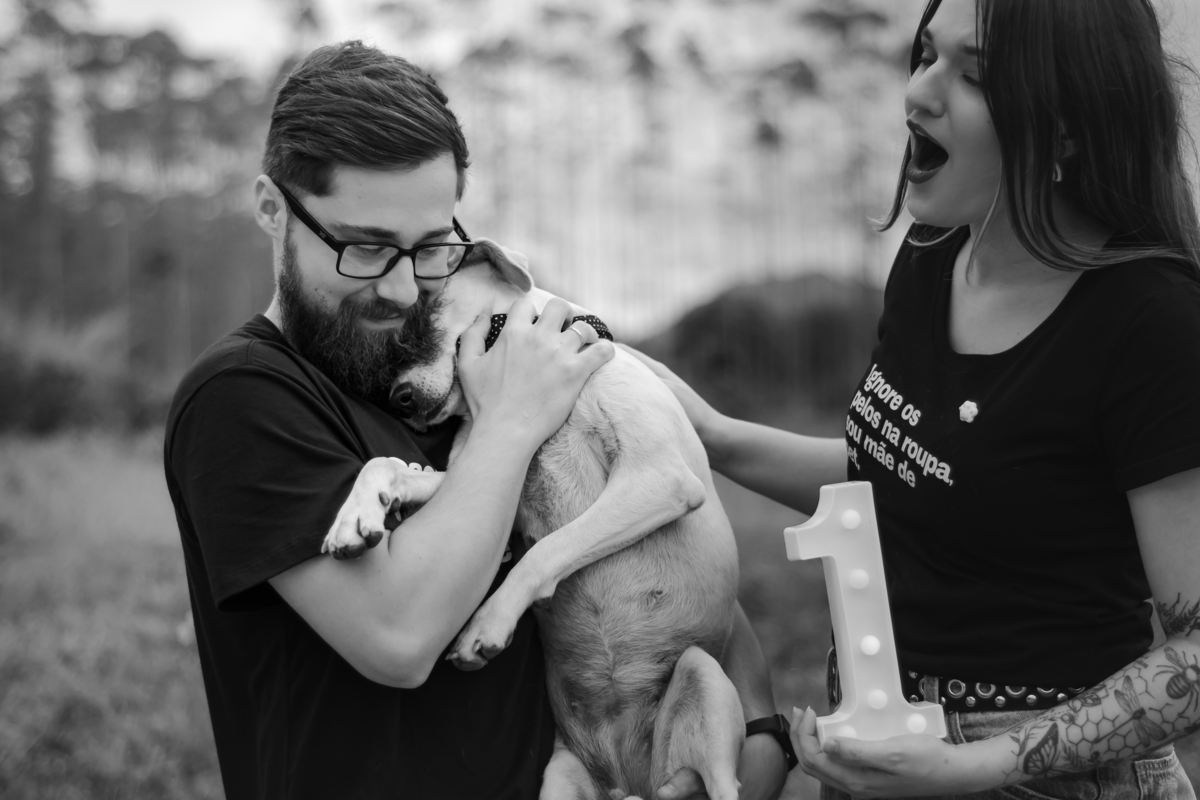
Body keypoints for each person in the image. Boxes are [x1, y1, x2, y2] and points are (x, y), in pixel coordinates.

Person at [164, 41, 789, 800]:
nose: (402, 290)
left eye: (430, 248)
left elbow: (670, 567)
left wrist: (761, 734)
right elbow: (398, 639)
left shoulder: (450, 365)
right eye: (366, 248)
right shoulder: (242, 395)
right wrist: (514, 420)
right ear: (273, 209)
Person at [629, 0, 1200, 796]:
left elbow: (1196, 653)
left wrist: (968, 767)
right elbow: (909, 482)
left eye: (975, 76)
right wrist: (712, 434)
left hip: (1048, 775)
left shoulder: (1152, 321)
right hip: (885, 749)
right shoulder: (934, 254)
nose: (918, 93)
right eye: (927, 55)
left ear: (1068, 128)